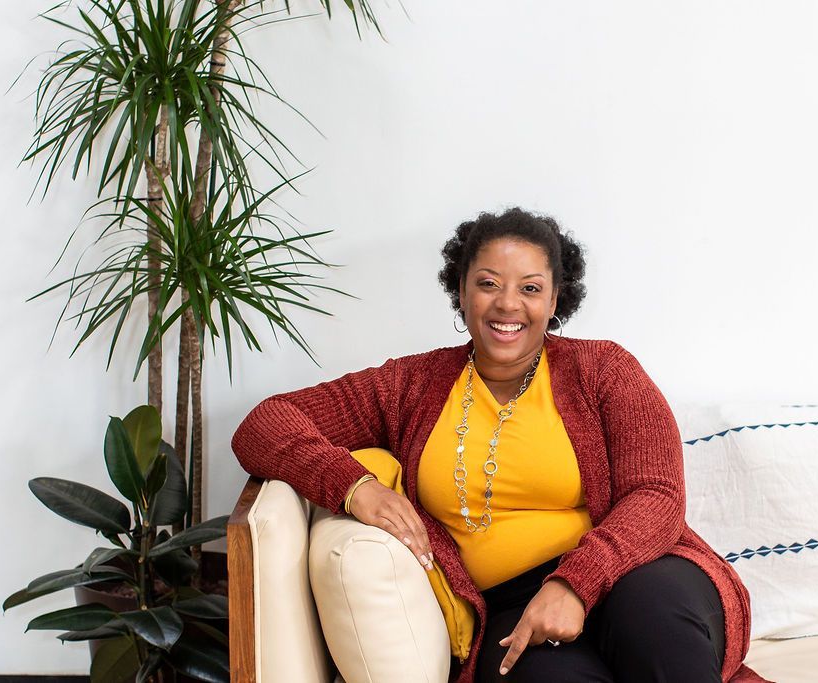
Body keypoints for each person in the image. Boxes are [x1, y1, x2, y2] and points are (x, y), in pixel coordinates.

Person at [231, 208, 767, 683]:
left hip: (636, 570)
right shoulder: (409, 387)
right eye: (488, 283)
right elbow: (264, 424)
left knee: (659, 634)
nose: (507, 304)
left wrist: (576, 584)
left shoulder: (604, 369)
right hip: (511, 606)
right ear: (461, 290)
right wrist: (354, 487)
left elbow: (657, 495)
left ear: (556, 298)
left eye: (531, 288)